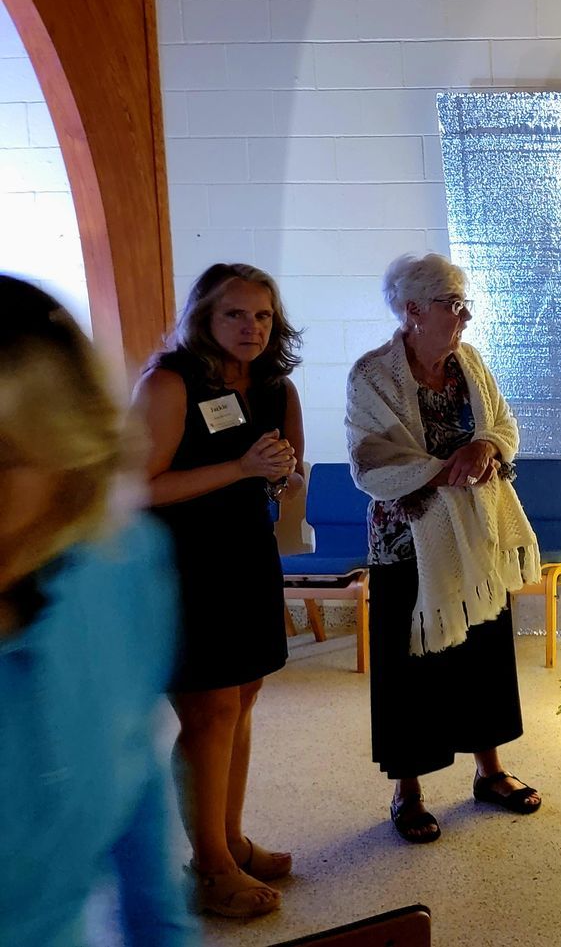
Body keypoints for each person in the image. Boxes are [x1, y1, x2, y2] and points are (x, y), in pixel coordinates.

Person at [0, 276, 197, 947]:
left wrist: (164, 932)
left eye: (2, 460)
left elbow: (131, 758)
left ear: (70, 463)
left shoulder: (120, 566)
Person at [347, 253, 544, 845]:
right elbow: (370, 460)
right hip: (407, 541)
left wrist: (484, 447)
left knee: (481, 651)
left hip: (475, 532)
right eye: (451, 305)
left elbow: (504, 426)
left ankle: (489, 773)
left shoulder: (470, 364)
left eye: (465, 304)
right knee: (411, 665)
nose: (463, 316)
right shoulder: (371, 374)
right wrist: (446, 472)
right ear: (412, 310)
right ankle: (407, 791)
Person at [134, 263, 304, 919]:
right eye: (235, 314)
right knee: (208, 715)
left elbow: (285, 474)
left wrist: (282, 475)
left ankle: (230, 839)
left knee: (242, 699)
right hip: (181, 567)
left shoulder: (273, 385)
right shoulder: (171, 382)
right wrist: (239, 466)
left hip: (246, 559)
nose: (251, 328)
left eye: (262, 315)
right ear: (204, 316)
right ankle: (208, 867)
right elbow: (134, 489)